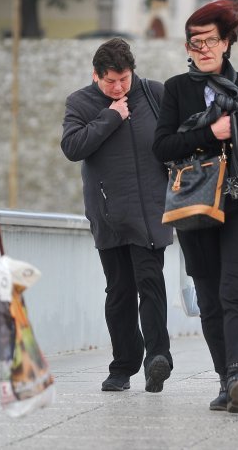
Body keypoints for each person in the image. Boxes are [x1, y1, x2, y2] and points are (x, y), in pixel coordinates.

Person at [152, 0, 238, 414]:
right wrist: (210, 133)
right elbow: (161, 147)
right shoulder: (176, 89)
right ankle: (223, 380)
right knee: (210, 298)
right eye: (196, 43)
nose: (204, 48)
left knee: (234, 288)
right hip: (195, 203)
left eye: (211, 40)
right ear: (188, 47)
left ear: (227, 41)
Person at [61, 38, 174, 393]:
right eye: (110, 81)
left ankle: (158, 358)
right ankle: (123, 366)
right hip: (108, 214)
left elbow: (176, 142)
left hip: (151, 211)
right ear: (95, 76)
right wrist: (111, 116)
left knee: (151, 283)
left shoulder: (154, 94)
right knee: (120, 292)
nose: (118, 87)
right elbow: (72, 147)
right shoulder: (80, 103)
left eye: (124, 79)